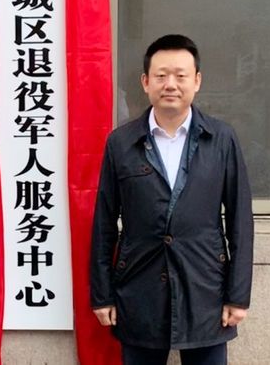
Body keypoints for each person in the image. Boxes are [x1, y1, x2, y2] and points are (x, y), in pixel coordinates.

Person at [90, 34, 253, 365]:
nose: (171, 85)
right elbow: (104, 224)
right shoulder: (121, 143)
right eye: (161, 75)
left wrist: (238, 295)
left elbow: (240, 221)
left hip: (205, 291)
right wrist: (102, 294)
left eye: (180, 76)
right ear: (145, 82)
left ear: (197, 81)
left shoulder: (221, 139)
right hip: (139, 291)